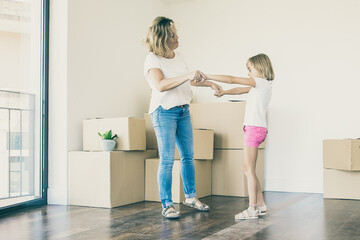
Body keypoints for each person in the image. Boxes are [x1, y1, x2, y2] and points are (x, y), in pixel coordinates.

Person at [144, 16, 222, 219]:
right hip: (163, 111)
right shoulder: (153, 59)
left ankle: (190, 197)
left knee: (188, 156)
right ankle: (167, 204)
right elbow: (160, 85)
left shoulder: (178, 56)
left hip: (183, 111)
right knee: (168, 159)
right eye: (172, 34)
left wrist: (209, 84)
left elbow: (187, 82)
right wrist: (187, 76)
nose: (177, 36)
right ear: (163, 37)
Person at [200, 53, 274, 220]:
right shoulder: (263, 85)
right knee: (248, 169)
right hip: (256, 129)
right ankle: (261, 204)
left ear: (260, 67)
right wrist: (224, 93)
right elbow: (240, 89)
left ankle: (252, 208)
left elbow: (232, 79)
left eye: (250, 69)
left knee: (249, 169)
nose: (248, 73)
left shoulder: (259, 81)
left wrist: (208, 76)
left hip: (254, 129)